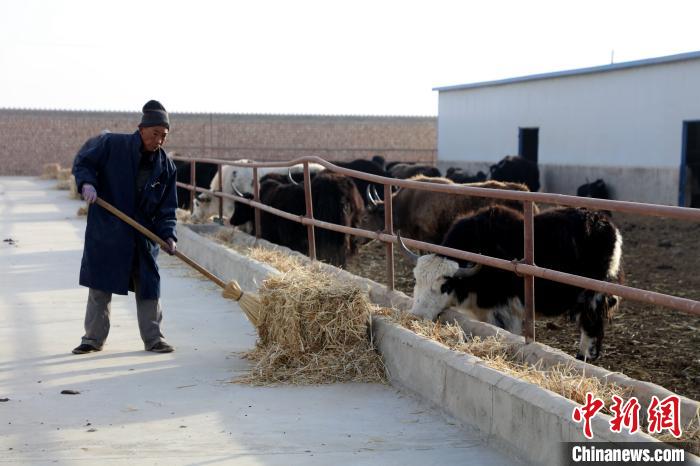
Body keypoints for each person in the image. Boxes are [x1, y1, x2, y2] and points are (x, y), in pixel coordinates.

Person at [71, 100, 178, 354]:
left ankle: (154, 339)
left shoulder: (166, 168)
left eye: (164, 136)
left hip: (144, 234)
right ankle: (92, 339)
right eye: (155, 134)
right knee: (100, 284)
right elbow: (84, 163)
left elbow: (167, 209)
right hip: (108, 228)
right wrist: (87, 183)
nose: (159, 141)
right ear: (142, 129)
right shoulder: (112, 145)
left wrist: (168, 234)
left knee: (149, 285)